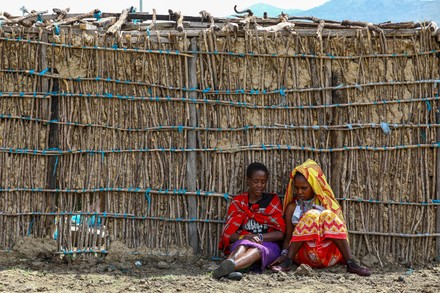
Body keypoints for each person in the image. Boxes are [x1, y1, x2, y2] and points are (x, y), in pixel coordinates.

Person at [270, 159, 371, 276]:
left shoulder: (327, 204)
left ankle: (350, 263)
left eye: (304, 188)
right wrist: (284, 255)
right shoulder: (292, 207)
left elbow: (340, 229)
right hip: (304, 256)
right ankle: (288, 262)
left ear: (314, 186)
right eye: (296, 188)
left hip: (329, 255)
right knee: (311, 215)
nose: (299, 192)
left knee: (327, 215)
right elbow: (288, 237)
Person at [213, 162, 286, 280]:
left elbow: (280, 234)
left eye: (263, 182)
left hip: (268, 244)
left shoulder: (272, 201)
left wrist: (259, 237)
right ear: (248, 181)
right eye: (255, 181)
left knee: (257, 249)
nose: (259, 185)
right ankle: (229, 265)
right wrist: (245, 237)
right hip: (242, 241)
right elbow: (229, 235)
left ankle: (228, 268)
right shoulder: (239, 202)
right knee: (243, 245)